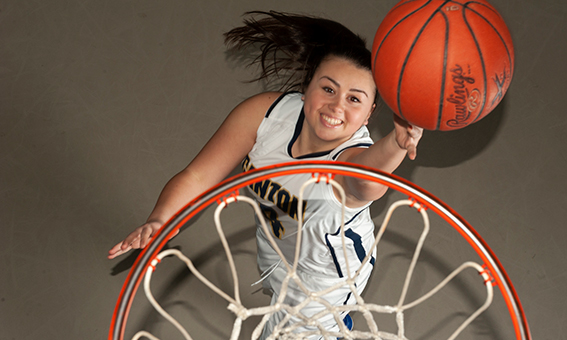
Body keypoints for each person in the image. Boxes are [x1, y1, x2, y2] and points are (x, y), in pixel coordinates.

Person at [108, 11, 423, 339]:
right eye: (328, 89)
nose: (336, 106)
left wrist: (396, 145)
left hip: (328, 273)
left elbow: (366, 177)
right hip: (278, 251)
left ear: (371, 111)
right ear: (307, 86)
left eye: (354, 99)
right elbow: (199, 177)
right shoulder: (266, 115)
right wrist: (160, 221)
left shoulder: (350, 161)